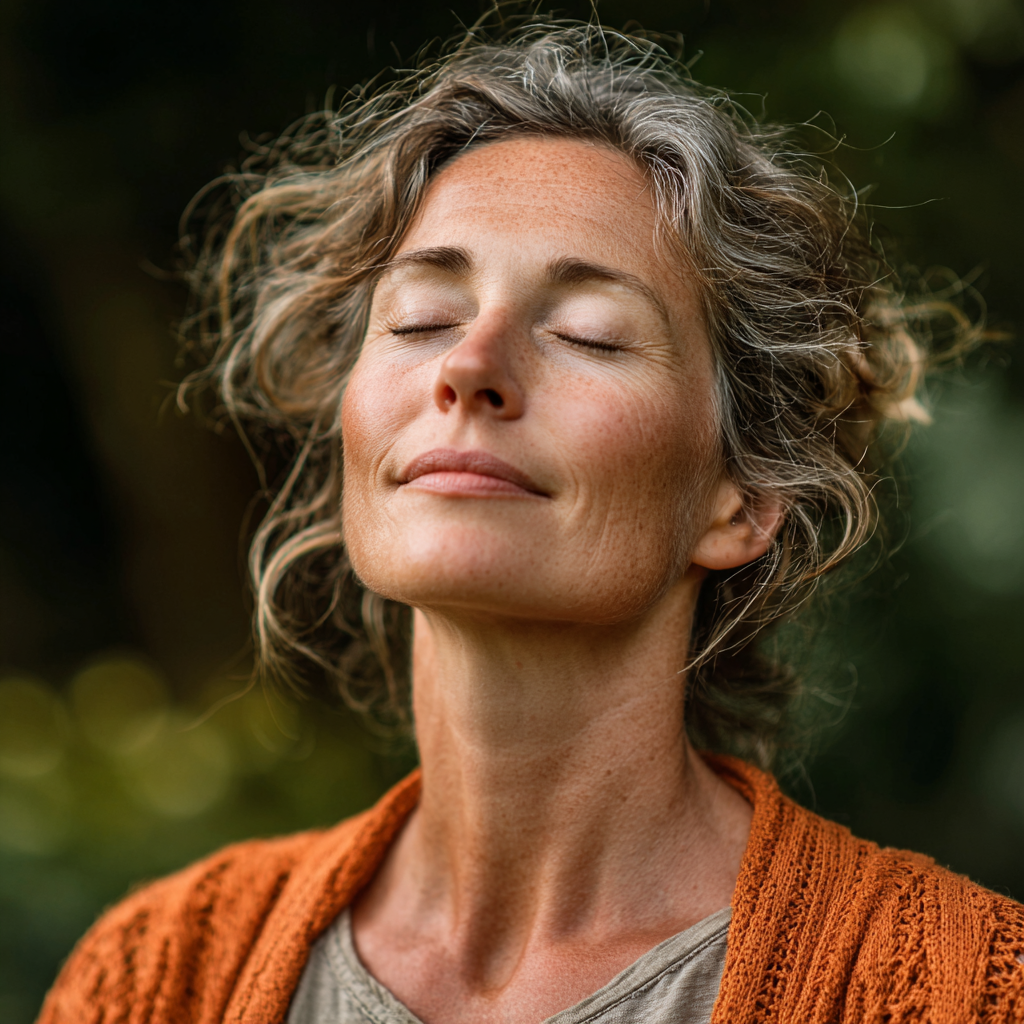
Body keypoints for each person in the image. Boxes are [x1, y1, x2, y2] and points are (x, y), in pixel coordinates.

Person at [37, 20, 1024, 1024]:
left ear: (741, 498)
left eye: (588, 335)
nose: (467, 366)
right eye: (420, 318)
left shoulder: (962, 990)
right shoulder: (155, 975)